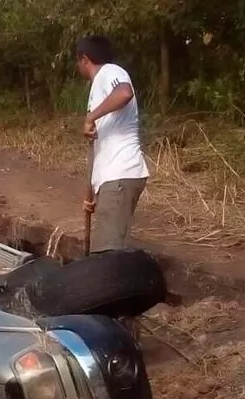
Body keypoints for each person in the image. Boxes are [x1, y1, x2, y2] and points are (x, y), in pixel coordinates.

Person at [76, 35, 149, 252]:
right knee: (106, 251)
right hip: (112, 179)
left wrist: (90, 118)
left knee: (108, 255)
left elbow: (124, 93)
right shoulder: (99, 86)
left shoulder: (110, 72)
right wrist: (91, 195)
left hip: (120, 173)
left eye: (77, 61)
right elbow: (99, 146)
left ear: (84, 59)